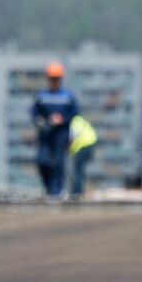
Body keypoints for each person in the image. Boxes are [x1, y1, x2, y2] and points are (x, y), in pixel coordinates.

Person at [31, 61, 79, 199]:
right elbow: (34, 113)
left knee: (59, 163)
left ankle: (55, 192)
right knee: (42, 161)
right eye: (52, 78)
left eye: (56, 78)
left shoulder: (67, 96)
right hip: (45, 134)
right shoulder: (42, 96)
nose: (54, 81)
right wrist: (40, 121)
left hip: (61, 134)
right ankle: (48, 187)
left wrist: (62, 119)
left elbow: (75, 114)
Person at [67, 113, 98, 199]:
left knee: (77, 169)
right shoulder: (78, 120)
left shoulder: (75, 121)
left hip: (84, 146)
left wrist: (66, 145)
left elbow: (72, 136)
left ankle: (77, 191)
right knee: (79, 169)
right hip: (88, 145)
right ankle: (78, 190)